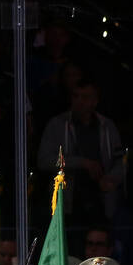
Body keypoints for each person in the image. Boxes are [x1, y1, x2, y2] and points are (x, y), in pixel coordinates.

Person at [36, 80, 125, 224]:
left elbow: (120, 161)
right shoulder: (57, 124)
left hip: (101, 200)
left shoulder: (106, 126)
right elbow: (44, 160)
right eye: (75, 96)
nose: (78, 101)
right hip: (69, 202)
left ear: (95, 101)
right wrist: (82, 163)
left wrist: (111, 179)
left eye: (84, 97)